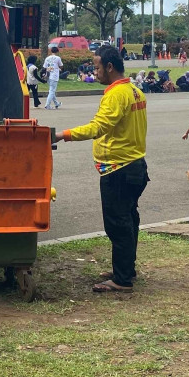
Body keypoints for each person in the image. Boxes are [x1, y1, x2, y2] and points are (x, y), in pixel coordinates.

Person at [53, 45, 147, 293]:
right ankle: (125, 269)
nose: (94, 71)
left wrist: (63, 135)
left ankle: (122, 279)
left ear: (109, 66)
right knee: (129, 219)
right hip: (136, 166)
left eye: (96, 67)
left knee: (117, 224)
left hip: (119, 169)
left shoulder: (116, 95)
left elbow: (99, 126)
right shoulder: (135, 91)